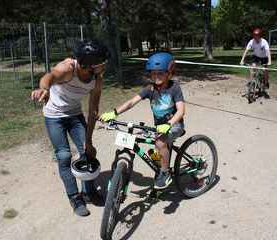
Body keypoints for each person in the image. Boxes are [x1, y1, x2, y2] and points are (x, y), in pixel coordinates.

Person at [31, 40, 109, 216]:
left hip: (74, 115)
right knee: (64, 156)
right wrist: (43, 88)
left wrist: (88, 141)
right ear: (91, 65)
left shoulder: (97, 79)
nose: (105, 65)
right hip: (54, 116)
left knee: (87, 153)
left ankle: (88, 192)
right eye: (103, 62)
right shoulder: (68, 68)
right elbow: (49, 77)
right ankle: (75, 198)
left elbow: (93, 110)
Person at [99, 52, 185, 190]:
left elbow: (181, 111)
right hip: (159, 127)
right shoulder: (149, 89)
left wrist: (169, 124)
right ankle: (163, 165)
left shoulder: (174, 88)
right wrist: (114, 113)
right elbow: (132, 102)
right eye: (153, 73)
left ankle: (165, 173)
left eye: (160, 73)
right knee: (155, 151)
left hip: (175, 125)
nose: (156, 77)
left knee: (160, 142)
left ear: (169, 73)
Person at [240, 28, 272, 97]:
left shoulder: (264, 42)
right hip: (256, 57)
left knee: (265, 70)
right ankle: (251, 82)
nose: (255, 37)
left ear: (260, 36)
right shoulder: (251, 41)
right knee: (252, 67)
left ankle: (266, 83)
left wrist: (269, 61)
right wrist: (242, 60)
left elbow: (268, 52)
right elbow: (246, 51)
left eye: (257, 36)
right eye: (254, 36)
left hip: (264, 57)